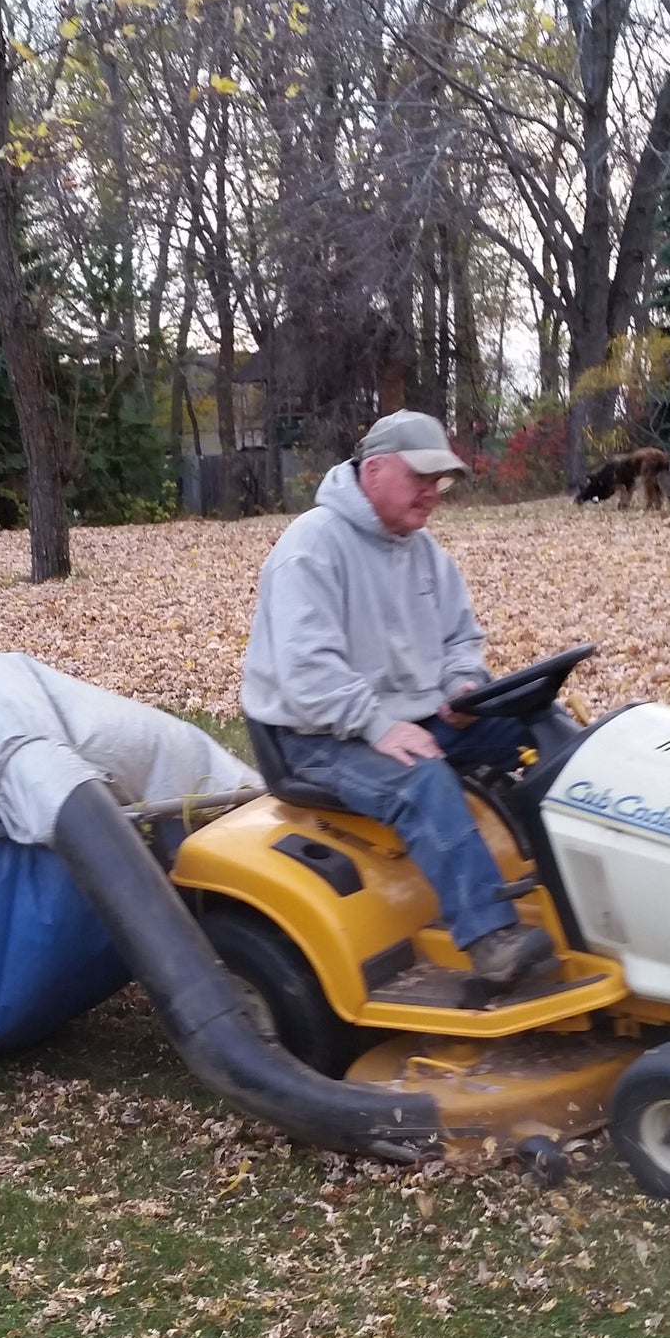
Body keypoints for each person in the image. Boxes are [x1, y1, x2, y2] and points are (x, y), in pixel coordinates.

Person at [240, 410, 557, 991]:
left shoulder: (423, 551)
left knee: (543, 728)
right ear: (376, 470)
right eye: (422, 478)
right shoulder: (310, 548)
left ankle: (569, 886)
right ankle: (490, 937)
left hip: (410, 715)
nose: (433, 493)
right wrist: (378, 725)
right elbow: (307, 673)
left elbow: (461, 638)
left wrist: (464, 688)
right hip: (317, 735)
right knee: (423, 775)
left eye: (441, 481)